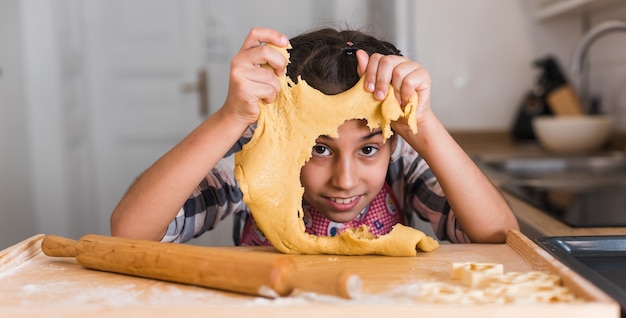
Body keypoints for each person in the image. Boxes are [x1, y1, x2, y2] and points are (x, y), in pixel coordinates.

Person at [110, 27, 519, 246]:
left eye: (368, 149)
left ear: (393, 144)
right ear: (282, 140)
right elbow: (132, 231)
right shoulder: (259, 168)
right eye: (319, 148)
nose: (345, 179)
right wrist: (231, 118)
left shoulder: (403, 170)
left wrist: (423, 125)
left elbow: (499, 236)